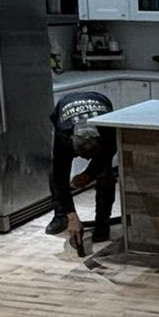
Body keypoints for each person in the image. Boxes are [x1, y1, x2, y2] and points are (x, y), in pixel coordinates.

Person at [45, 88, 117, 251]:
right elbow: (59, 176)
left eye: (90, 156)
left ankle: (103, 223)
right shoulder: (63, 134)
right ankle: (61, 216)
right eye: (82, 155)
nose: (85, 159)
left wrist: (88, 174)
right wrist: (72, 215)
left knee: (105, 174)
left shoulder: (109, 132)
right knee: (57, 172)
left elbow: (107, 155)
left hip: (98, 100)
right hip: (67, 106)